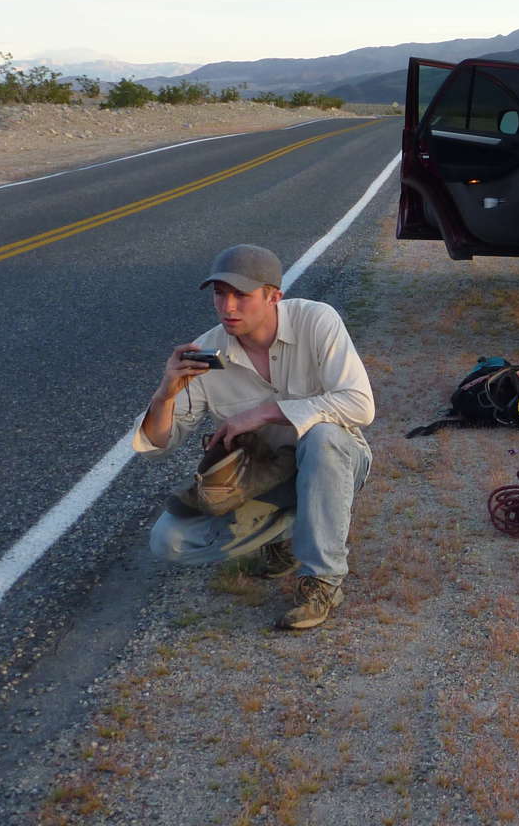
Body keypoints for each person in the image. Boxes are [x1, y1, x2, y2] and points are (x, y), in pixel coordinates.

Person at [138, 244, 374, 631]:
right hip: (259, 480)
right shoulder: (208, 353)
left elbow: (360, 405)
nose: (228, 307)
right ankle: (284, 533)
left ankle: (322, 580)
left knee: (324, 436)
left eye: (241, 295)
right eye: (220, 294)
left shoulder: (316, 321)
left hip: (336, 464)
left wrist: (263, 412)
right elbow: (158, 445)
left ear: (273, 296)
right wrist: (165, 394)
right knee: (168, 540)